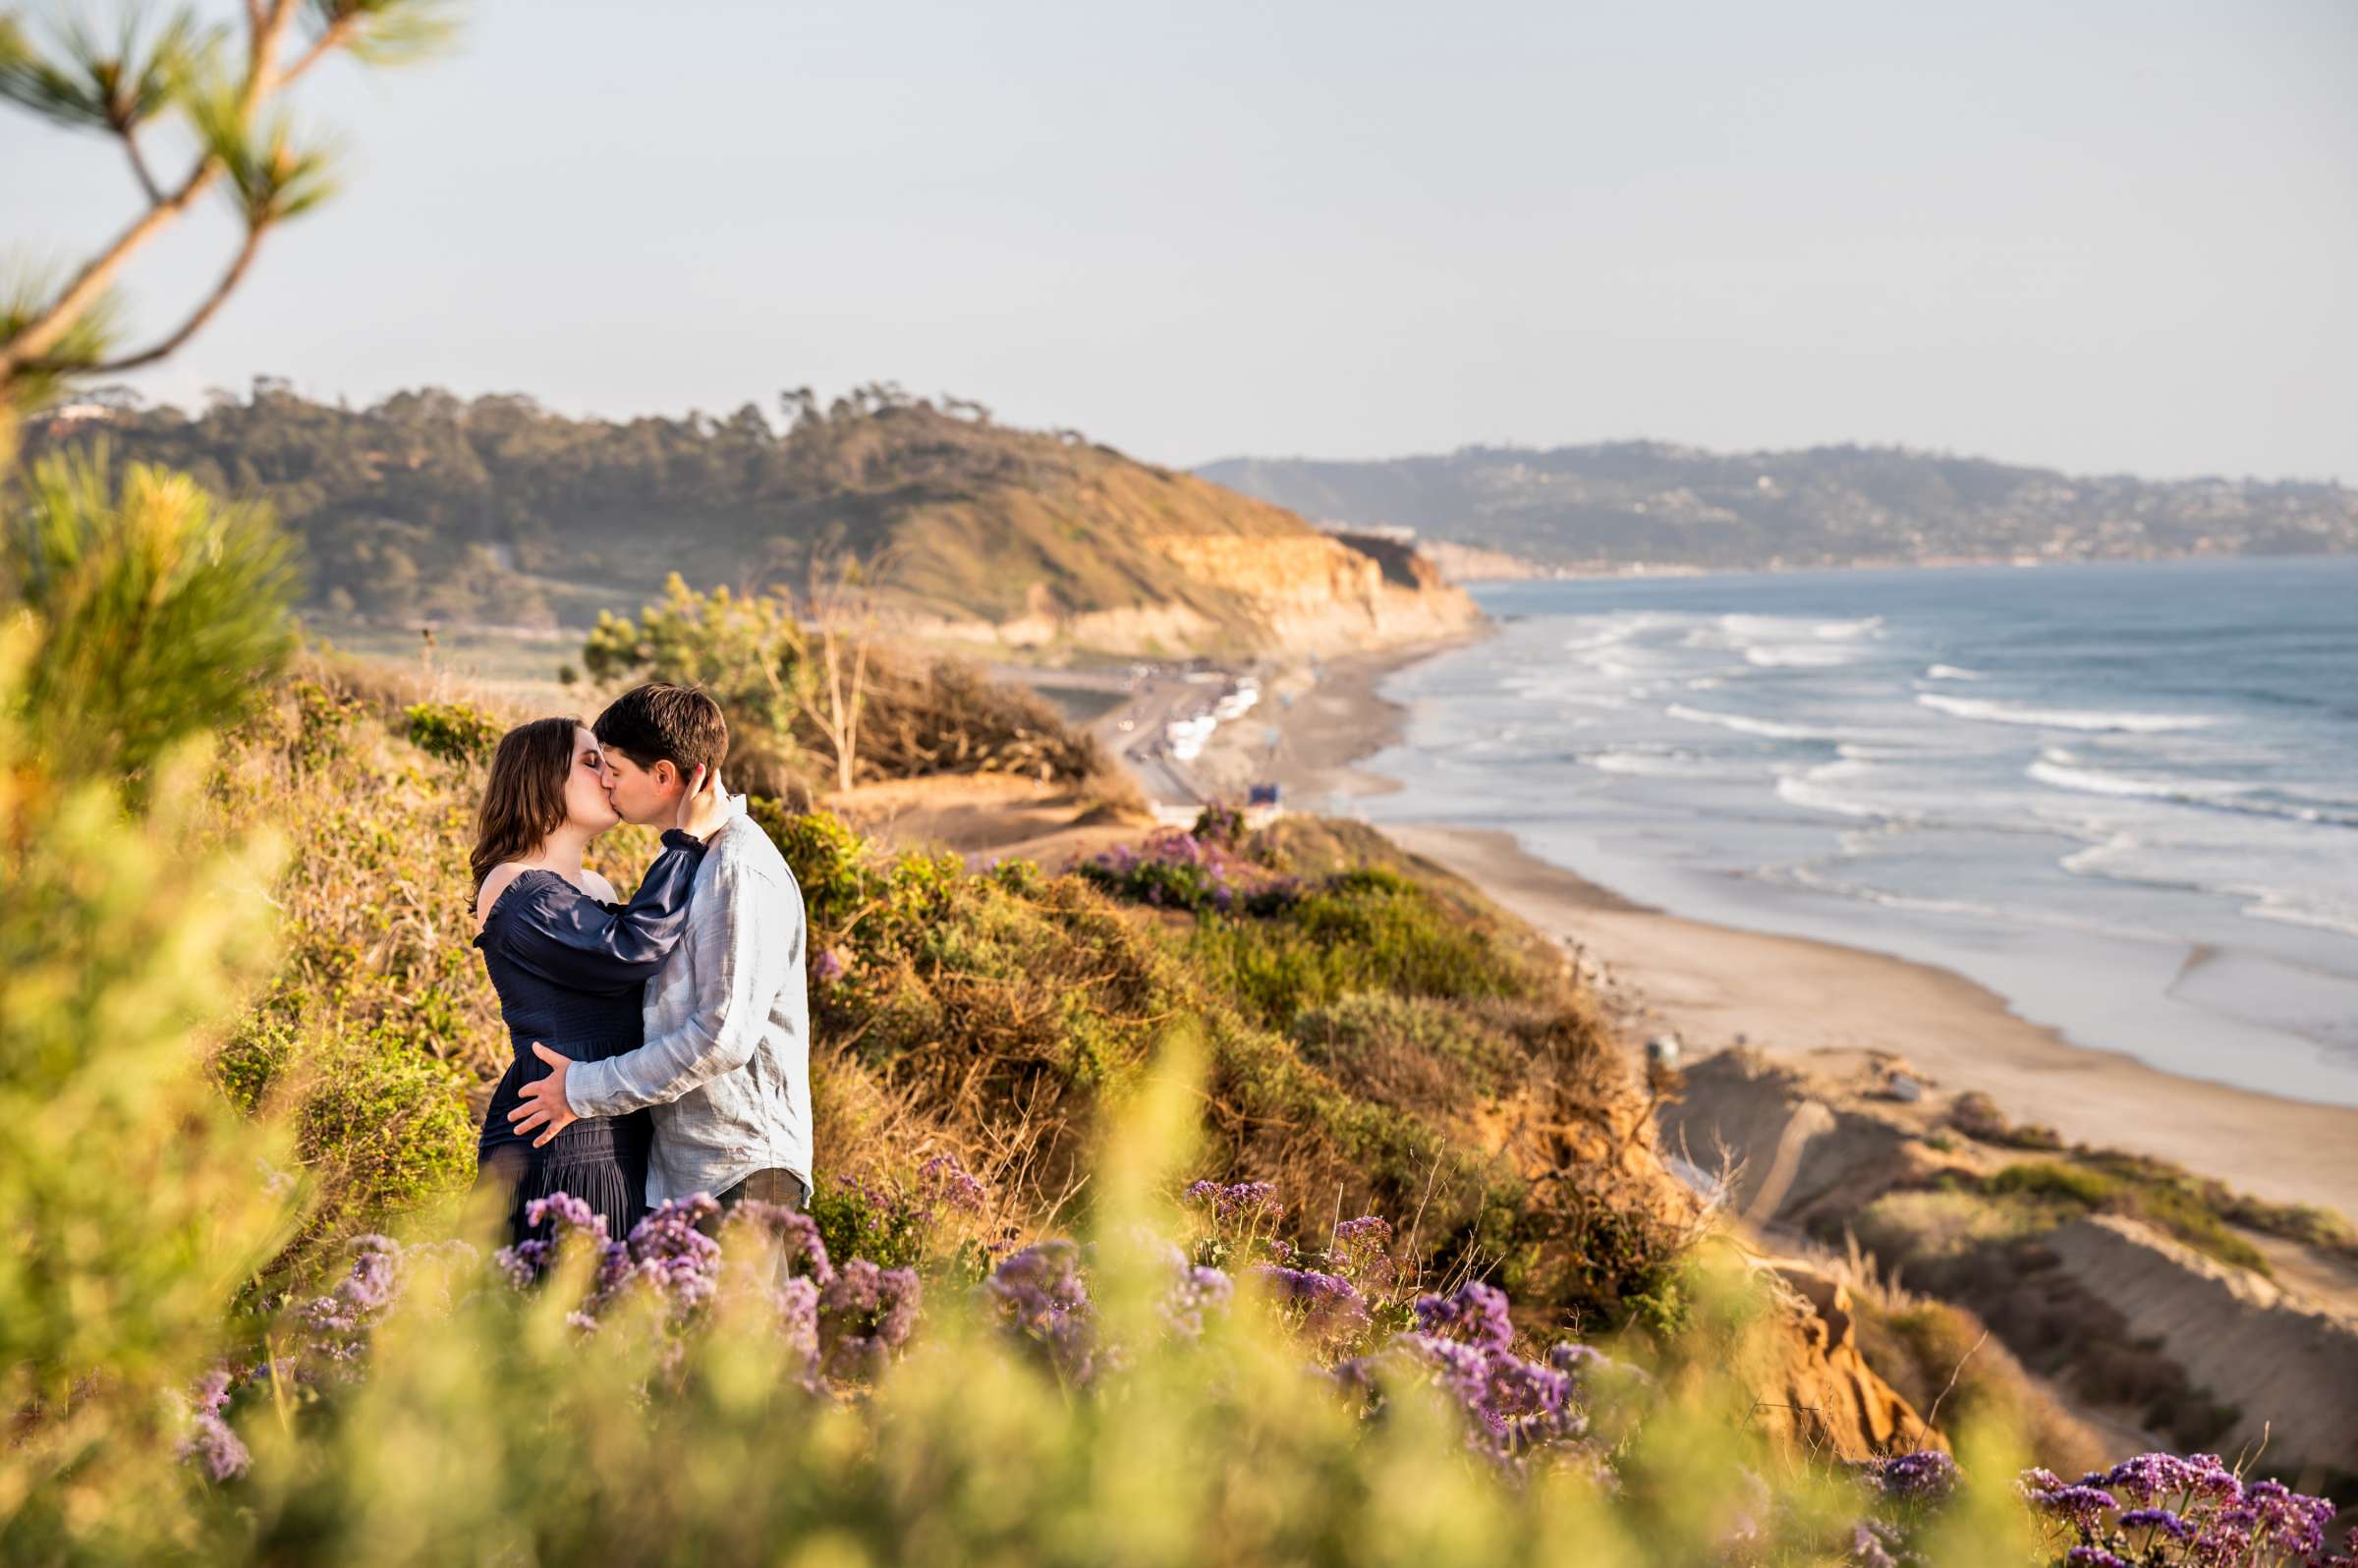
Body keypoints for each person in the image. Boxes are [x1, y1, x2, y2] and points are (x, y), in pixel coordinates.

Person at [506, 683, 814, 1216]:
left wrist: (582, 1089)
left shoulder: (734, 866)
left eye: (615, 771)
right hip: (695, 1167)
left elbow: (722, 1038)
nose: (605, 782)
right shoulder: (701, 860)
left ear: (665, 775)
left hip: (737, 1165)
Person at [470, 715, 729, 1247]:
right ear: (541, 778)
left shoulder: (593, 887)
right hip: (555, 1134)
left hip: (611, 1119)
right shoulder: (512, 883)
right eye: (591, 763)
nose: (609, 775)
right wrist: (685, 841)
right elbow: (631, 950)